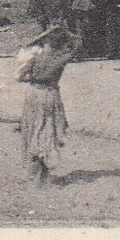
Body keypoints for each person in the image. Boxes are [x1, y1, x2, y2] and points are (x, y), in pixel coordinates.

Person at [16, 27, 82, 183]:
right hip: (50, 94)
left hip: (33, 94)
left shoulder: (34, 56)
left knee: (32, 130)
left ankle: (32, 171)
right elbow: (79, 42)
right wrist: (66, 31)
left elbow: (20, 77)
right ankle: (42, 174)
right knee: (47, 131)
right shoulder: (61, 58)